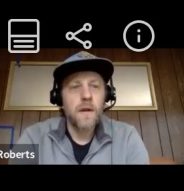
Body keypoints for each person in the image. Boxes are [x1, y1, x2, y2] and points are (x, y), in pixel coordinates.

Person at [16, 51, 149, 164]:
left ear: (106, 96)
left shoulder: (128, 138)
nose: (86, 95)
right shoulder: (32, 139)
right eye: (75, 86)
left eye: (95, 86)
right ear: (59, 98)